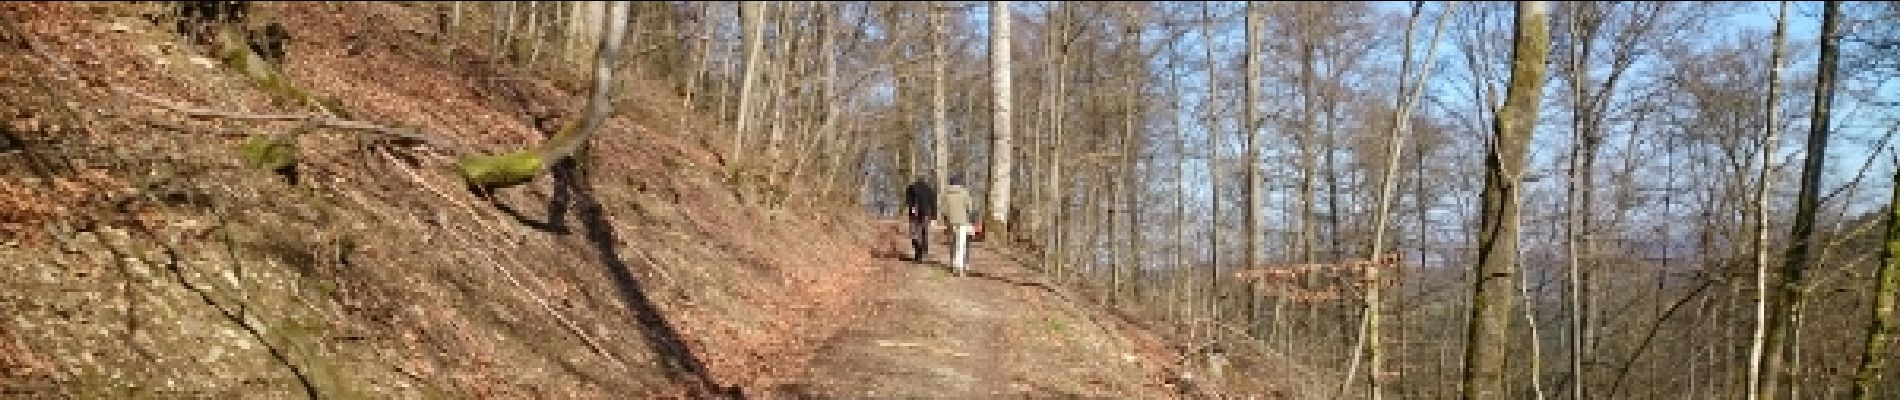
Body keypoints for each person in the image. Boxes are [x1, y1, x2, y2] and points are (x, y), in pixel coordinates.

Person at [940, 175, 975, 276]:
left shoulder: (946, 194)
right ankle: (959, 267)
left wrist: (946, 220)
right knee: (961, 244)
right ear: (959, 183)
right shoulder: (964, 193)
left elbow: (944, 210)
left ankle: (953, 263)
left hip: (951, 222)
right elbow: (970, 208)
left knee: (952, 244)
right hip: (963, 222)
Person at [903, 177, 937, 262]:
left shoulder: (911, 188)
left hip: (914, 214)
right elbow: (933, 204)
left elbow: (908, 201)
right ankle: (924, 252)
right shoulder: (929, 189)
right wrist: (933, 217)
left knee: (914, 232)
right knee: (924, 233)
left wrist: (912, 207)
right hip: (925, 214)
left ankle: (918, 252)